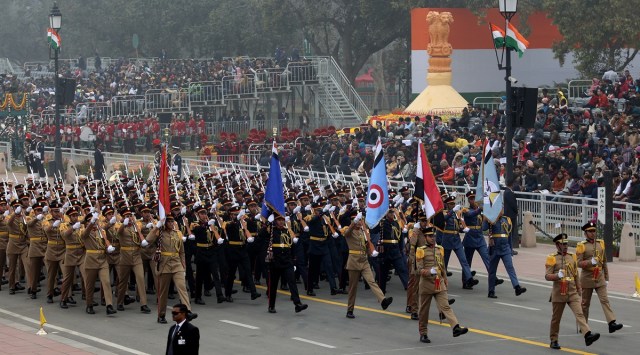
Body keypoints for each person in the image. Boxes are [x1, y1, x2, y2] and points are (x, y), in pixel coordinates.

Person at [545, 233, 600, 349]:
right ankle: (553, 339)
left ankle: (587, 335)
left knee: (580, 314)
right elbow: (547, 276)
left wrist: (579, 289)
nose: (565, 246)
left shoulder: (572, 256)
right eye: (563, 244)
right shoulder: (552, 258)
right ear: (557, 245)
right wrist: (556, 275)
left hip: (572, 292)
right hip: (559, 292)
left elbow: (575, 274)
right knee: (556, 319)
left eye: (566, 244)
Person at [416, 225, 468, 343]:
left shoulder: (440, 249)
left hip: (439, 282)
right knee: (424, 312)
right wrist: (429, 271)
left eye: (433, 236)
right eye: (430, 236)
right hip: (426, 284)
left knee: (445, 306)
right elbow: (418, 270)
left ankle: (455, 327)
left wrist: (444, 277)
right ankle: (423, 333)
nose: (432, 238)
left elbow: (442, 266)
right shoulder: (420, 251)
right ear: (425, 238)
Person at [142, 215, 197, 324]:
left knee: (182, 288)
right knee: (163, 293)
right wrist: (157, 227)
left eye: (173, 221)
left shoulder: (178, 233)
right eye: (169, 222)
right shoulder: (160, 233)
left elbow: (181, 251)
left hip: (177, 264)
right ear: (165, 223)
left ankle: (188, 311)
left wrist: (184, 266)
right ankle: (161, 315)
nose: (172, 223)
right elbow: (148, 239)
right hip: (164, 265)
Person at [576, 222, 624, 333]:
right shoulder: (581, 246)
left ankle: (611, 323)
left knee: (605, 300)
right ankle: (584, 326)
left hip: (599, 276)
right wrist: (589, 262)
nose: (593, 233)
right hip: (587, 278)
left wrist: (606, 277)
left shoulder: (600, 243)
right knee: (585, 304)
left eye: (594, 231)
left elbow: (604, 261)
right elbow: (578, 263)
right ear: (586, 233)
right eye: (590, 231)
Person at [342, 211, 391, 318]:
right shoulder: (348, 230)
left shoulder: (363, 232)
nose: (360, 222)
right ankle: (350, 310)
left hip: (364, 260)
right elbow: (346, 233)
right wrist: (353, 223)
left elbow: (366, 245)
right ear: (353, 221)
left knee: (371, 281)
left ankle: (383, 300)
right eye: (357, 220)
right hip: (354, 261)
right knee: (352, 287)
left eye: (360, 220)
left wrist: (371, 252)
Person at [262, 213, 308, 314]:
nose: (281, 221)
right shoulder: (271, 230)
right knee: (273, 285)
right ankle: (271, 305)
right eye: (279, 220)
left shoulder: (288, 231)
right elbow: (262, 235)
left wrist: (294, 260)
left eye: (283, 220)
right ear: (275, 221)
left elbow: (292, 246)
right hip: (275, 261)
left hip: (287, 261)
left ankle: (297, 304)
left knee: (292, 282)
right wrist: (267, 223)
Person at [484, 213, 526, 298]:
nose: (500, 211)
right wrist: (485, 219)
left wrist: (510, 251)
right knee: (492, 271)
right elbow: (484, 228)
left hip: (505, 248)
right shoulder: (491, 219)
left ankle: (517, 287)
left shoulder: (507, 219)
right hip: (494, 248)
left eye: (501, 208)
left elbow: (508, 235)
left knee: (510, 267)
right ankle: (491, 291)